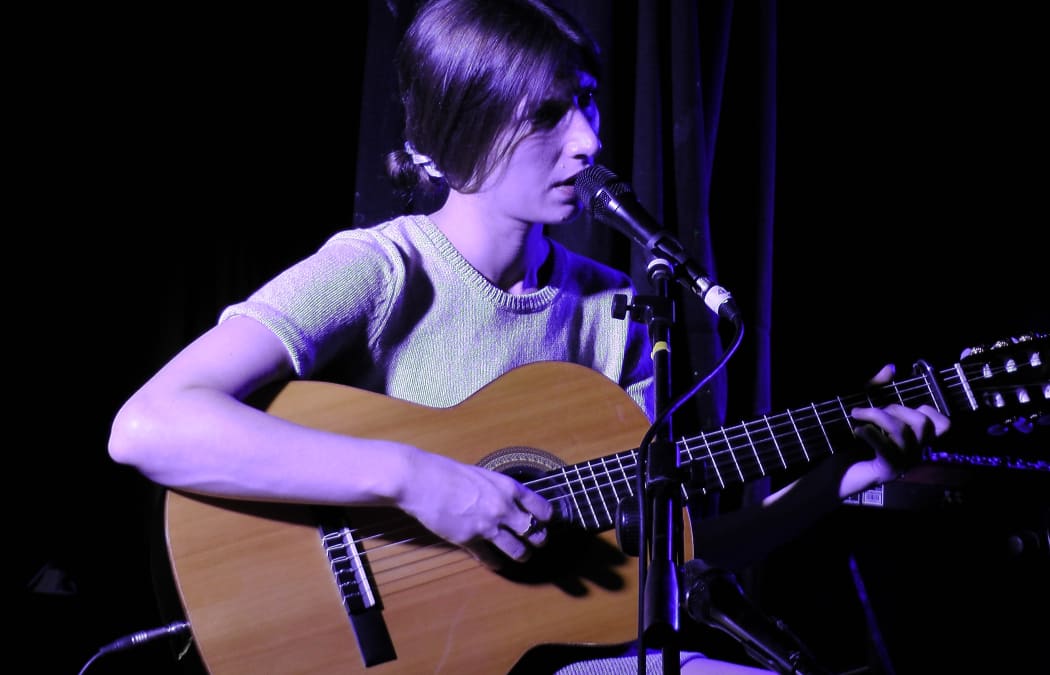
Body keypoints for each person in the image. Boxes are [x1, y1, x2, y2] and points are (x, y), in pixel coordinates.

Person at [108, 0, 950, 673]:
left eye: (585, 101)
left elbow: (659, 563)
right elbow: (148, 425)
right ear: (452, 133)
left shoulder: (613, 313)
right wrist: (417, 479)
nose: (589, 142)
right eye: (546, 115)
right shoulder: (381, 268)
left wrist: (831, 481)